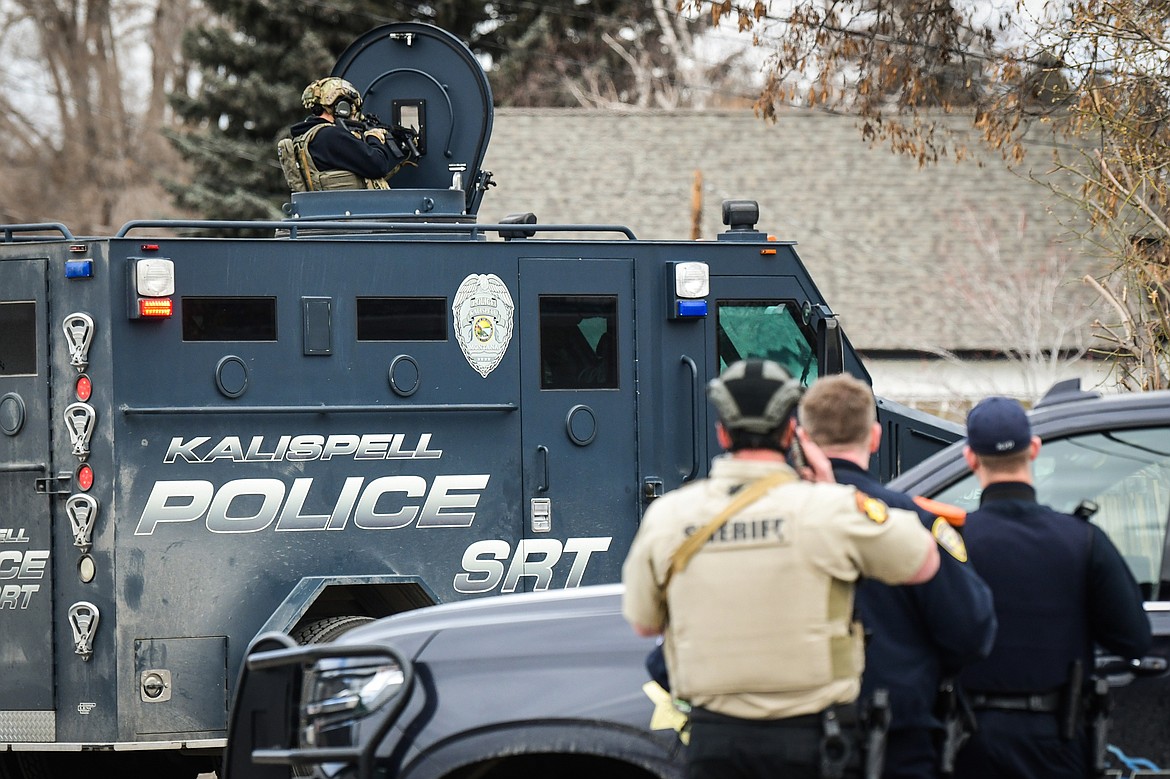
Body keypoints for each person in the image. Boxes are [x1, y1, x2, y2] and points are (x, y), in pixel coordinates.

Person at [621, 359, 941, 779]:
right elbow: (923, 560)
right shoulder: (829, 509)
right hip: (816, 745)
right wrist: (834, 489)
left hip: (714, 744)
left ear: (721, 432)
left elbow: (644, 625)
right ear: (792, 432)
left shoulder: (668, 517)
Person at [799, 374, 997, 779]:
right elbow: (972, 630)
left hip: (788, 736)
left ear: (802, 438)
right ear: (874, 438)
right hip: (895, 739)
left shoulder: (775, 521)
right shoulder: (917, 522)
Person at [952, 396, 1152, 779]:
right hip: (1057, 742)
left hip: (968, 741)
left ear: (970, 458)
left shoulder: (952, 542)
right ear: (1035, 449)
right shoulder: (1082, 540)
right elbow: (1135, 639)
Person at [280, 77, 409, 192]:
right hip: (352, 213)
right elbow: (377, 165)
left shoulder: (306, 137)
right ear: (342, 107)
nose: (353, 114)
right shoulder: (330, 135)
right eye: (351, 107)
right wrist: (373, 138)